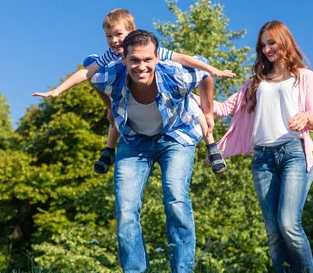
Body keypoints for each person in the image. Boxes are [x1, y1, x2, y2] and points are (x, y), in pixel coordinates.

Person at [32, 9, 233, 174]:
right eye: (108, 36)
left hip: (168, 89)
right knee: (117, 115)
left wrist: (211, 69)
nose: (114, 40)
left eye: (119, 34)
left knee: (193, 105)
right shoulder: (110, 55)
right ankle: (109, 150)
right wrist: (58, 91)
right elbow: (87, 72)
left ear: (131, 32)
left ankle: (211, 145)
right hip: (127, 93)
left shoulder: (145, 48)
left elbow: (183, 58)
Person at [90, 29, 214, 273]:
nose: (141, 66)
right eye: (134, 60)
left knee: (176, 198)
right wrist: (110, 107)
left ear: (157, 58)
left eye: (148, 59)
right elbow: (90, 77)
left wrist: (208, 110)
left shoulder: (175, 75)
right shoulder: (110, 77)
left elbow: (206, 70)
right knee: (125, 207)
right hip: (134, 142)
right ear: (123, 60)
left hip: (176, 137)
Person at [212, 20, 313, 273]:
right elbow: (222, 109)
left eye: (271, 42)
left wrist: (305, 116)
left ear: (284, 41)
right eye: (263, 45)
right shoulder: (255, 83)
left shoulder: (304, 76)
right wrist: (190, 93)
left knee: (288, 223)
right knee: (272, 230)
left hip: (294, 152)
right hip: (263, 159)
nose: (267, 49)